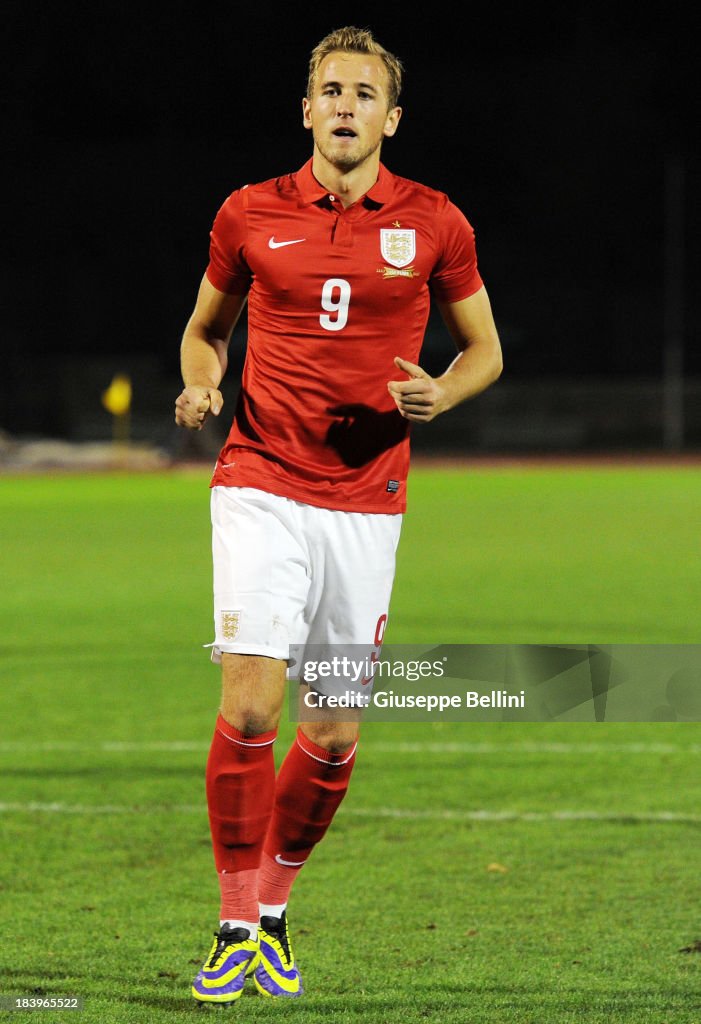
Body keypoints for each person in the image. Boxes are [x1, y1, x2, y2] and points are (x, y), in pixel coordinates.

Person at [174, 24, 502, 1005]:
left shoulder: (435, 222)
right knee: (249, 702)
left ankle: (272, 913)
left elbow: (480, 350)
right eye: (331, 90)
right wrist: (201, 386)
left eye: (365, 92)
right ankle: (233, 925)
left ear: (390, 116)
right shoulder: (247, 212)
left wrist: (439, 397)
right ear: (306, 108)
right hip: (260, 480)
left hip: (367, 503)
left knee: (331, 730)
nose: (346, 105)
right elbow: (204, 332)